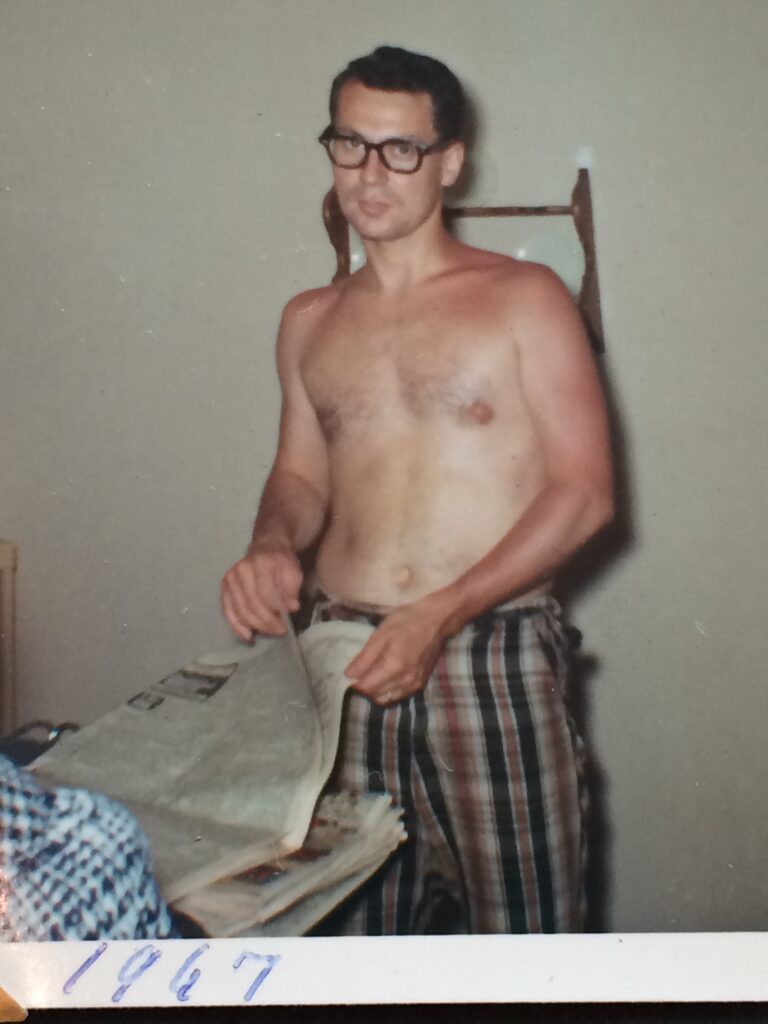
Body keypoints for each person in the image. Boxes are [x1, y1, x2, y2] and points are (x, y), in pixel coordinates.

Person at [221, 46, 613, 934]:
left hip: (488, 654)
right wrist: (272, 545)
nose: (371, 173)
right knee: (348, 937)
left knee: (528, 949)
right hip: (343, 664)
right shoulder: (309, 320)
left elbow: (585, 494)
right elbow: (298, 475)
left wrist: (438, 612)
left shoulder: (525, 297)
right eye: (350, 144)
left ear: (448, 161)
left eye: (400, 150)